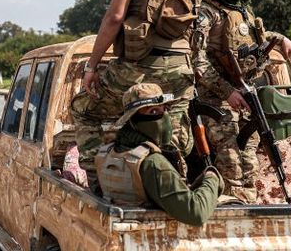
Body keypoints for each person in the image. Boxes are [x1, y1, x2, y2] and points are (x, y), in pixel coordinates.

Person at [70, 0, 205, 183]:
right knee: (173, 133)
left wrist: (92, 67)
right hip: (182, 69)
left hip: (139, 68)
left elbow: (115, 17)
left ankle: (99, 184)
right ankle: (171, 187)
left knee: (83, 111)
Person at [192, 0, 291, 203]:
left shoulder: (243, 9)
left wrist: (281, 39)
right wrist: (227, 92)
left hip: (246, 99)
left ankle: (249, 209)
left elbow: (256, 41)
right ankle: (231, 213)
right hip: (215, 102)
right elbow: (196, 59)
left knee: (250, 161)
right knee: (230, 164)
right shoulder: (207, 12)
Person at [95, 84, 223, 226]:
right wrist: (212, 177)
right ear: (133, 120)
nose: (163, 117)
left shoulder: (108, 152)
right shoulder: (152, 162)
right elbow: (195, 213)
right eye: (153, 111)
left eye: (165, 109)